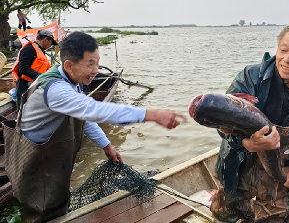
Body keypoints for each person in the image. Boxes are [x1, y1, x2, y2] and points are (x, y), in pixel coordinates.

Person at [4, 32, 185, 223]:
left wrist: (107, 145)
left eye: (97, 63)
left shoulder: (70, 80)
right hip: (34, 165)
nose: (96, 70)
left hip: (51, 162)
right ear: (69, 65)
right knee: (36, 214)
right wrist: (151, 114)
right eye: (90, 64)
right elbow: (93, 110)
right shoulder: (56, 89)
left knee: (56, 208)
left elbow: (84, 117)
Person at [210, 23, 289, 222]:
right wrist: (246, 143)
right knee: (225, 213)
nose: (287, 59)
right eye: (283, 50)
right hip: (237, 165)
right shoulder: (250, 78)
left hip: (281, 174)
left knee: (274, 218)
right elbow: (224, 121)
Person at [12, 29, 56, 110]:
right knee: (23, 117)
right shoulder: (29, 49)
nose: (51, 45)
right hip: (25, 89)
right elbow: (23, 68)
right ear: (46, 40)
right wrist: (42, 77)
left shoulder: (41, 51)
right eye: (51, 42)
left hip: (36, 87)